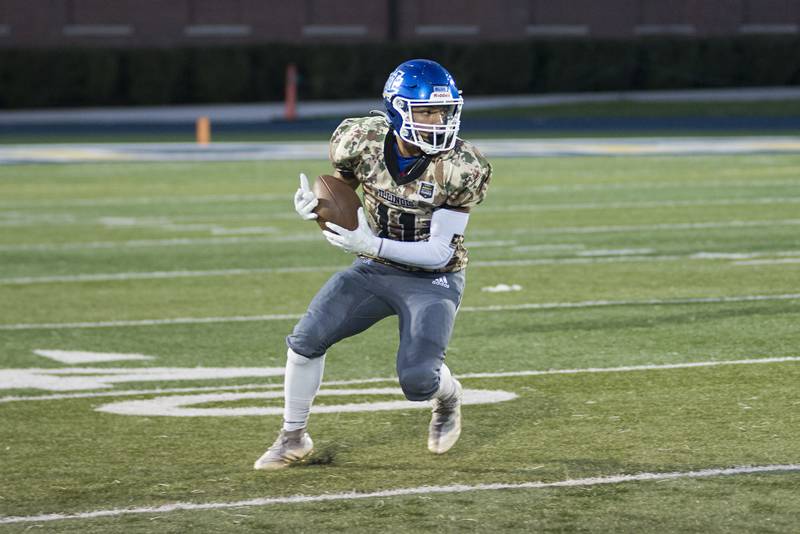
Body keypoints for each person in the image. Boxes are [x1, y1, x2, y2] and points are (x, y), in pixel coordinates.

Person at [254, 59, 492, 470]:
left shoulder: (462, 167)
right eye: (426, 112)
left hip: (433, 279)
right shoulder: (360, 139)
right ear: (398, 109)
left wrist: (372, 243)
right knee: (306, 339)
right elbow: (341, 187)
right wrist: (317, 208)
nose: (438, 121)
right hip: (374, 269)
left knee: (418, 381)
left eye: (444, 111)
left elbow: (438, 252)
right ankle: (293, 435)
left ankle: (449, 396)